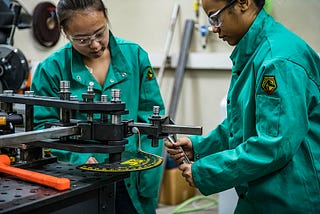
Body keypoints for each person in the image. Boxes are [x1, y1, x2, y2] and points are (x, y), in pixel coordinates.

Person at [165, 0, 320, 213]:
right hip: (261, 193)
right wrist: (201, 147)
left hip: (290, 197)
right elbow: (243, 124)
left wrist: (207, 172)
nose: (213, 27)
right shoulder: (254, 53)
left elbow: (274, 144)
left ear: (243, 3)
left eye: (216, 17)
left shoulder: (277, 60)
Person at [30, 0, 165, 213]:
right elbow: (41, 128)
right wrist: (78, 158)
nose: (94, 44)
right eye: (82, 39)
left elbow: (152, 119)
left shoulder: (135, 56)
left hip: (131, 177)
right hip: (78, 179)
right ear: (65, 32)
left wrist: (148, 175)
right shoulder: (51, 70)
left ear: (106, 19)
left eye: (100, 33)